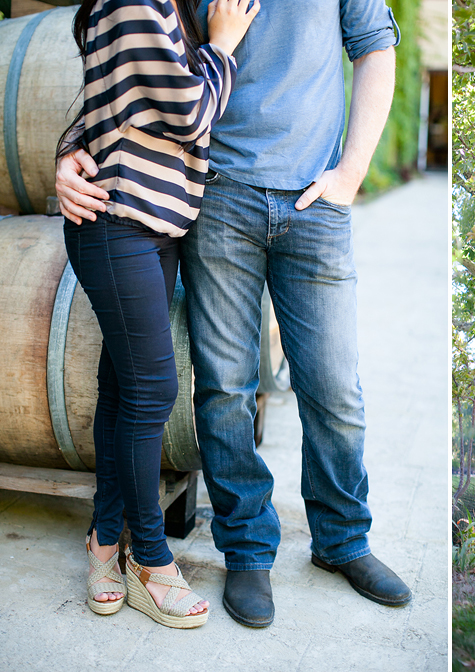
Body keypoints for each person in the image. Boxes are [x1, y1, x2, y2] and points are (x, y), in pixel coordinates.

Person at [57, 0, 411, 628]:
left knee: (334, 389)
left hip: (315, 203)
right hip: (215, 197)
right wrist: (71, 146)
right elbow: (135, 61)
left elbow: (376, 47)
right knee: (224, 388)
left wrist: (350, 173)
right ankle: (247, 551)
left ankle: (343, 540)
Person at [58, 0, 259, 627]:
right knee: (153, 389)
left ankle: (103, 544)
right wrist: (224, 44)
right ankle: (150, 560)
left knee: (122, 389)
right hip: (119, 221)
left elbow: (111, 104)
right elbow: (191, 115)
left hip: (152, 221)